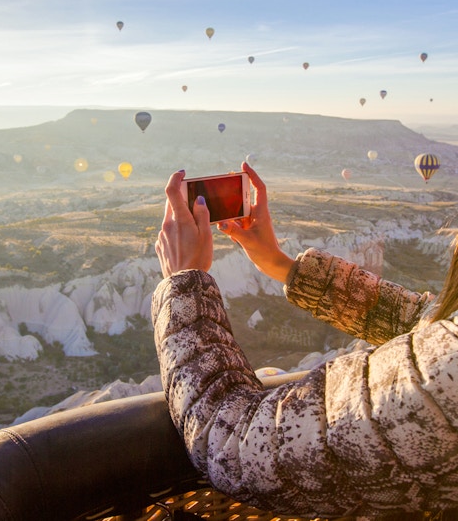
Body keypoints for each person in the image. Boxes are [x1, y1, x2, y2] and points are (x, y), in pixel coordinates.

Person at [152, 162, 458, 520]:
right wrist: (283, 265)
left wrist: (184, 285)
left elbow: (233, 445)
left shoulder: (443, 383)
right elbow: (426, 326)